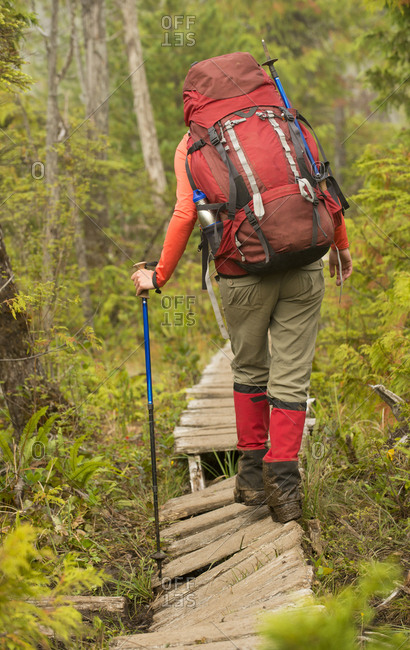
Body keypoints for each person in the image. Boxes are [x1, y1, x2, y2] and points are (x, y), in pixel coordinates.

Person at [131, 58, 353, 525]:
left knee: (251, 368)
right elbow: (322, 183)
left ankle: (252, 478)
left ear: (195, 99)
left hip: (241, 273)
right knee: (292, 377)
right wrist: (341, 246)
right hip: (306, 262)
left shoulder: (194, 142)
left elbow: (185, 214)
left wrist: (159, 276)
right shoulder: (284, 121)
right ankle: (284, 489)